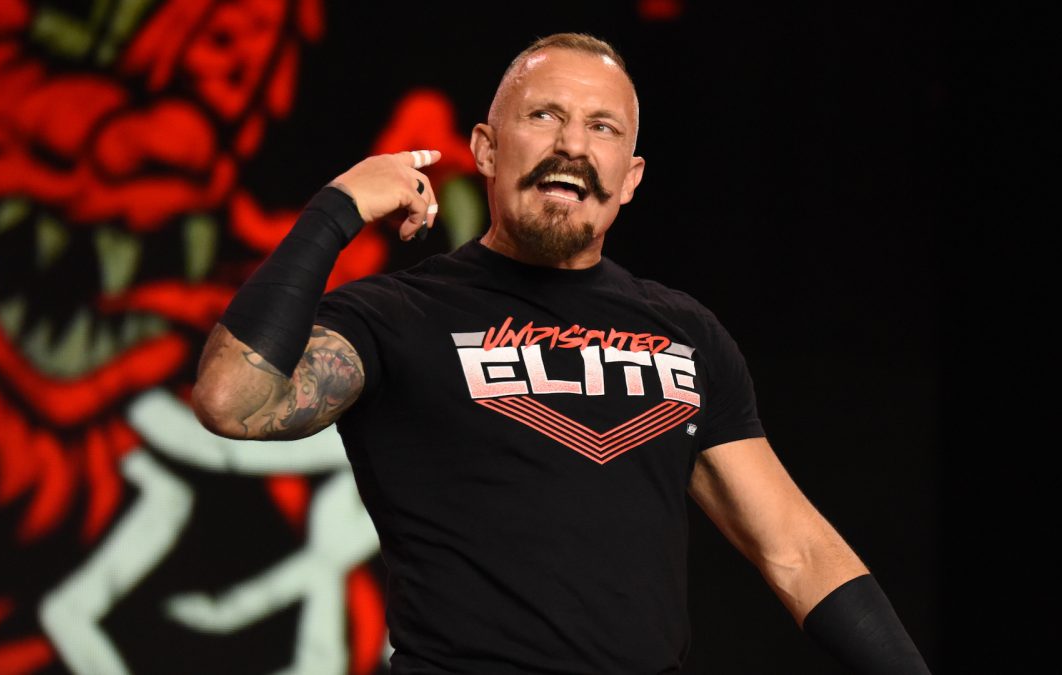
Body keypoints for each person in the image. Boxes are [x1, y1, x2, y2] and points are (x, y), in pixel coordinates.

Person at [192, 33, 931, 674]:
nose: (573, 145)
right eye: (544, 115)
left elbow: (796, 551)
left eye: (602, 126)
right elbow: (231, 400)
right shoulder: (396, 315)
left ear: (630, 178)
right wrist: (337, 208)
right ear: (485, 148)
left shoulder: (686, 332)